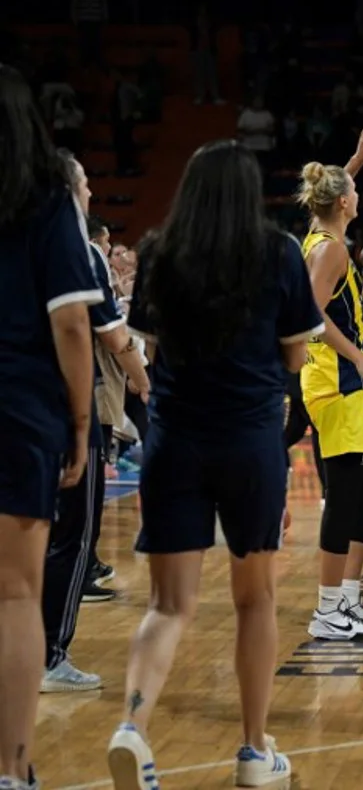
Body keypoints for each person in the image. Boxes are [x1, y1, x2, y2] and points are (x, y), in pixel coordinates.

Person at [106, 140, 323, 788]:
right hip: (251, 442)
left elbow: (148, 343)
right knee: (255, 600)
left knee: (169, 605)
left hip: (174, 442)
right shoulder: (279, 252)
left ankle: (133, 731)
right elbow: (293, 359)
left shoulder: (160, 254)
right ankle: (255, 752)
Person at [0, 65, 102, 790]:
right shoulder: (44, 197)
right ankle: (11, 768)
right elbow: (71, 321)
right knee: (12, 596)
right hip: (19, 411)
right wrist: (79, 420)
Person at [40, 154, 151, 694]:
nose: (90, 193)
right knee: (72, 534)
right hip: (61, 411)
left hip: (22, 407)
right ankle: (48, 655)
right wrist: (141, 375)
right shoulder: (76, 250)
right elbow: (107, 331)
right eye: (84, 183)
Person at [297, 122, 363, 641]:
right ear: (342, 204)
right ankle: (327, 609)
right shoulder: (330, 249)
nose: (358, 195)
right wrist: (361, 357)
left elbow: (330, 194)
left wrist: (355, 162)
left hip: (335, 384)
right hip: (333, 383)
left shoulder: (324, 232)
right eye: (354, 190)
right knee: (345, 497)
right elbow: (310, 312)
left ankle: (347, 600)